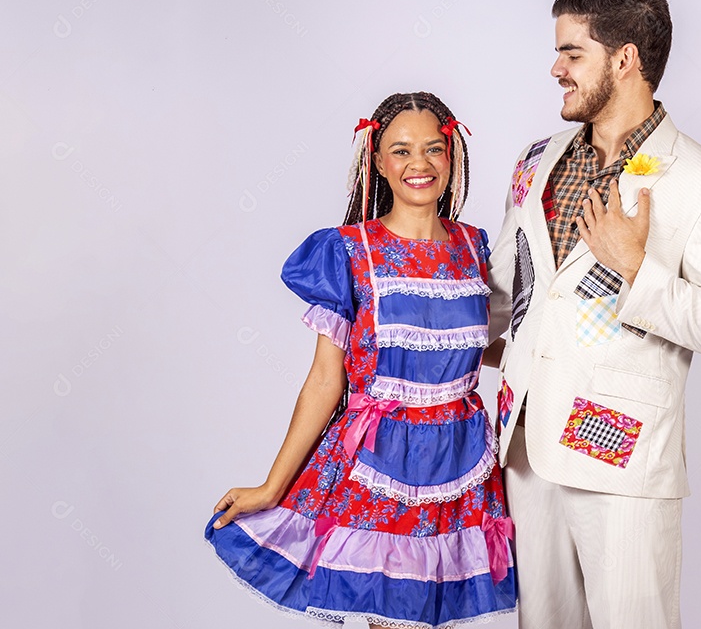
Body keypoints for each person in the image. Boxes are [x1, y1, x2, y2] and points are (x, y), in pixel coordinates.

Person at [486, 0, 701, 628]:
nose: (556, 69)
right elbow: (506, 293)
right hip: (523, 448)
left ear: (626, 58)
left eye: (573, 53)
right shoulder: (535, 161)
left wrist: (636, 269)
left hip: (622, 456)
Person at [205, 91, 517, 628]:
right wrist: (271, 486)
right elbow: (326, 380)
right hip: (378, 460)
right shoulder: (352, 251)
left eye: (433, 149)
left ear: (453, 154)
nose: (419, 165)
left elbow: (466, 345)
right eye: (400, 151)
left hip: (462, 461)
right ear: (377, 159)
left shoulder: (475, 246)